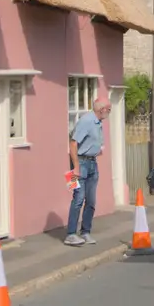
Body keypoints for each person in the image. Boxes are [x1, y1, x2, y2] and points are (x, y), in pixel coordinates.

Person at [63, 96, 110, 246]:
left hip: (91, 163)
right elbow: (72, 143)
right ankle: (70, 234)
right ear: (102, 110)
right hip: (79, 163)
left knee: (91, 200)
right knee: (78, 198)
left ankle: (85, 232)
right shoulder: (87, 121)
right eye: (108, 109)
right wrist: (76, 167)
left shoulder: (98, 122)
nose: (109, 112)